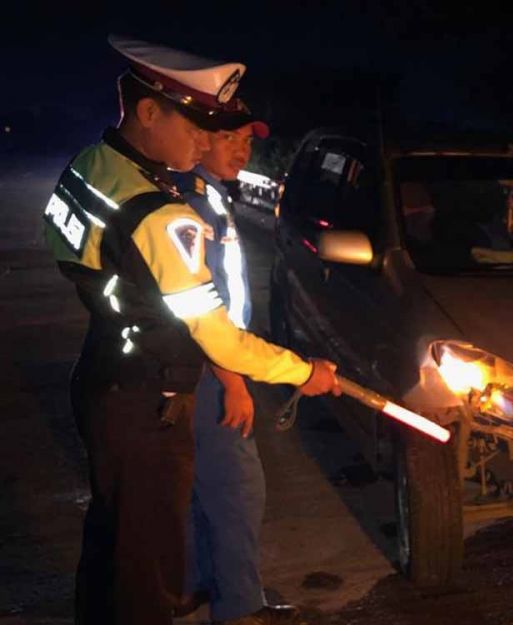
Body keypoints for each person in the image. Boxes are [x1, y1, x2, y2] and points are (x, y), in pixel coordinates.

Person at [41, 35, 341, 625]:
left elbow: (61, 244)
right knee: (147, 561)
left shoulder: (93, 165)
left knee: (113, 538)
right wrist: (303, 372)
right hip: (148, 396)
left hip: (106, 366)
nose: (207, 143)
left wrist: (122, 298)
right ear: (149, 112)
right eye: (198, 128)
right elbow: (220, 338)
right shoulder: (163, 212)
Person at [172, 104, 296, 624]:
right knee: (239, 491)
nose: (242, 150)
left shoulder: (208, 194)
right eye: (230, 138)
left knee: (208, 486)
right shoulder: (192, 203)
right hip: (212, 368)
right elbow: (199, 307)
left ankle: (200, 583)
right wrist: (234, 382)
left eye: (248, 140)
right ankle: (241, 608)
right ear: (200, 138)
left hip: (209, 363)